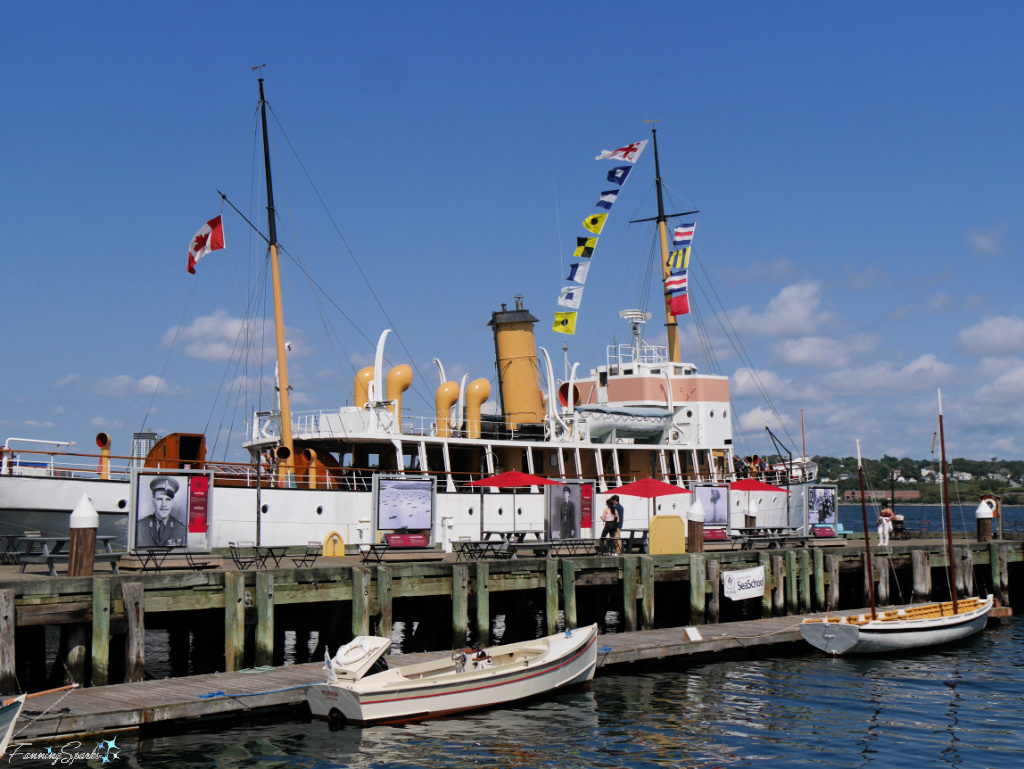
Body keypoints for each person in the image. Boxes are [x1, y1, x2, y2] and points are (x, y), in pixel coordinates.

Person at [137, 476, 188, 547]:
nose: (164, 505)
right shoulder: (140, 527)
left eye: (168, 500)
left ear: (172, 503)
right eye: (159, 499)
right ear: (153, 502)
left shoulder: (181, 529)